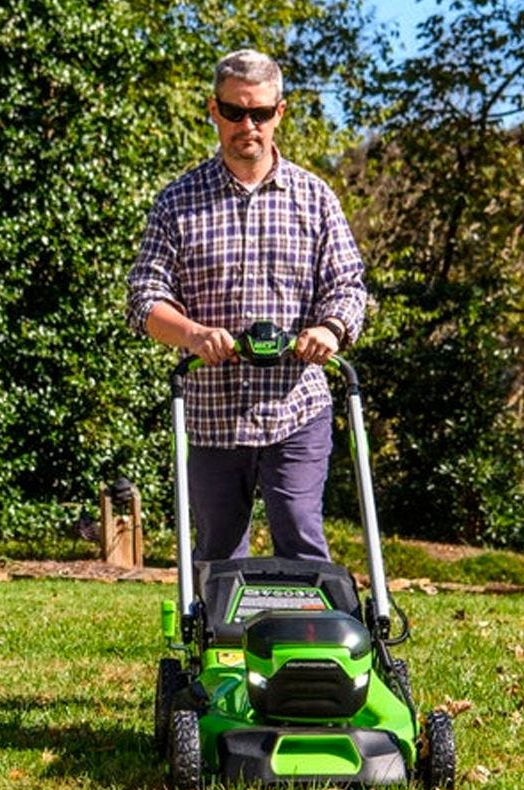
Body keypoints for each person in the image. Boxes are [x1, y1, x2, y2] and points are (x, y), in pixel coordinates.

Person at [126, 48, 367, 563]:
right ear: (214, 111)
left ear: (280, 112)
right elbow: (144, 298)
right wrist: (192, 334)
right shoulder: (178, 201)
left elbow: (349, 285)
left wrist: (330, 328)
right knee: (217, 554)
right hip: (213, 412)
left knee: (300, 535)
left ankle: (306, 642)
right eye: (234, 111)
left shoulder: (315, 198)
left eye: (259, 112)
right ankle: (223, 643)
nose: (247, 124)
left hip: (295, 407)